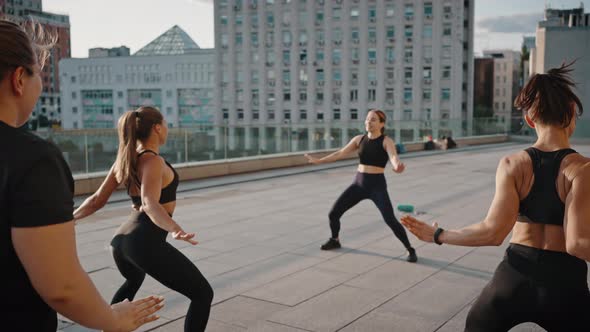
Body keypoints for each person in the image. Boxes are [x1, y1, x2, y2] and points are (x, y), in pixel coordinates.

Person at [401, 62, 590, 331]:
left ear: (529, 118)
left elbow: (492, 232)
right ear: (571, 112)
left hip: (514, 276)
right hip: (566, 285)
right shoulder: (582, 169)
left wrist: (438, 234)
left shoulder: (512, 165)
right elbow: (578, 244)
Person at [0, 19, 163, 332]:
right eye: (38, 75)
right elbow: (61, 286)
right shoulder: (32, 160)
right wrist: (111, 319)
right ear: (19, 79)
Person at [74, 106, 214, 332]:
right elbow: (149, 202)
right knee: (203, 294)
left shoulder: (126, 159)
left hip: (121, 242)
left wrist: (71, 218)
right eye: (166, 124)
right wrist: (174, 227)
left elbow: (97, 199)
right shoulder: (153, 161)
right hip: (143, 242)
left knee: (133, 281)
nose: (167, 128)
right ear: (157, 128)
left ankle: (110, 328)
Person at [305, 109, 418, 262]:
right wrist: (319, 160)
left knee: (390, 219)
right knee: (333, 213)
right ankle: (335, 240)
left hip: (377, 186)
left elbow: (393, 157)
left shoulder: (386, 141)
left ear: (381, 123)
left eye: (373, 120)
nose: (368, 122)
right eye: (367, 119)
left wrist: (397, 166)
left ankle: (410, 249)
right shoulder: (359, 139)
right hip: (359, 184)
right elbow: (340, 153)